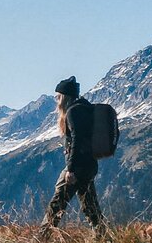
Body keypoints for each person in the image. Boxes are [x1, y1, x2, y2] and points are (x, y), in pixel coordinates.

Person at [44, 76, 106, 230]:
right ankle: (103, 238)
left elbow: (76, 141)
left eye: (58, 96)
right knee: (90, 206)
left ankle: (41, 238)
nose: (56, 100)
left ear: (64, 97)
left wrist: (71, 169)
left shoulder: (73, 112)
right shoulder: (85, 109)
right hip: (89, 165)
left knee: (57, 203)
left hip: (77, 167)